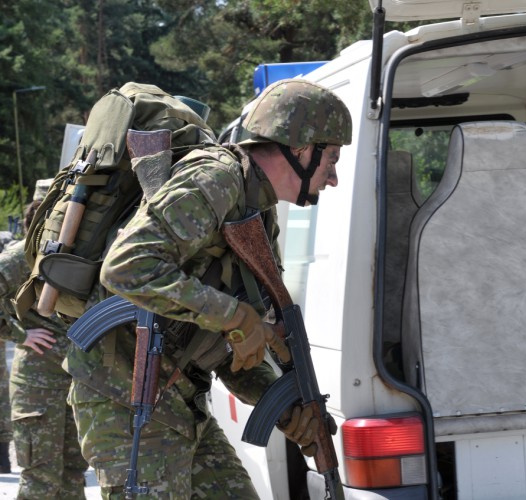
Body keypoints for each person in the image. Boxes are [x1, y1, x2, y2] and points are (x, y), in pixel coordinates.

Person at [65, 78, 352, 497]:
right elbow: (126, 268)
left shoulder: (256, 213)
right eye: (331, 159)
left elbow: (237, 346)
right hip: (125, 400)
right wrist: (234, 316)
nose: (334, 178)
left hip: (180, 399)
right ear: (302, 149)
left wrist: (287, 410)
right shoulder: (216, 179)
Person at [0, 178, 88, 498]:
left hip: (73, 381)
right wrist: (20, 334)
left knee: (73, 476)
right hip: (37, 385)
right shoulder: (21, 256)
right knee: (41, 481)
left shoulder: (74, 255)